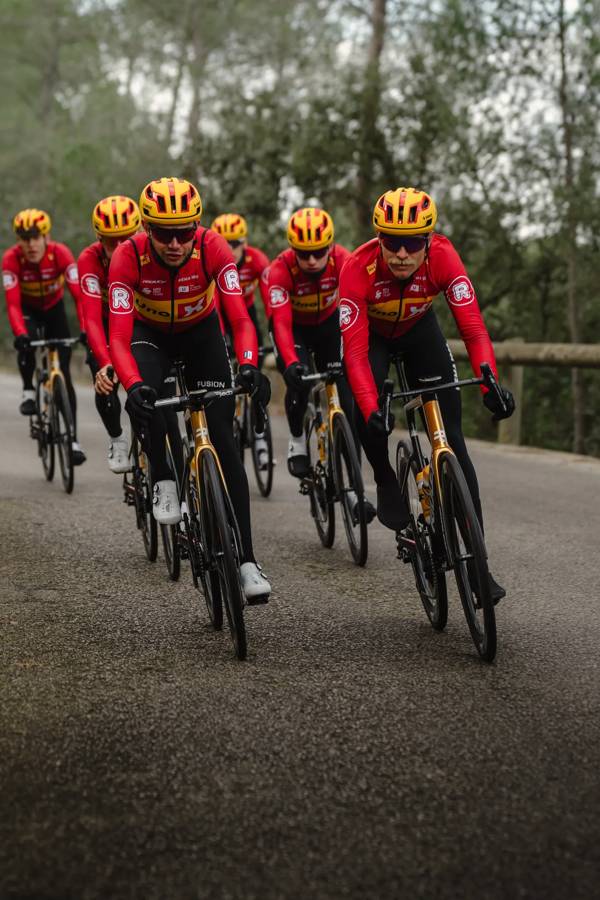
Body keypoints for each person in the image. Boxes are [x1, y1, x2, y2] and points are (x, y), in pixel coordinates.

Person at [339, 187, 515, 602]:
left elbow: (473, 329)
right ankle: (385, 479)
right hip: (373, 340)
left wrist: (489, 382)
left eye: (413, 243)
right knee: (365, 412)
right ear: (379, 239)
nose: (402, 254)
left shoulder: (444, 257)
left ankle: (478, 570)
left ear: (428, 241)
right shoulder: (357, 268)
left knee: (454, 442)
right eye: (392, 242)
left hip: (420, 331)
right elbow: (356, 356)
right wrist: (372, 409)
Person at [108, 177, 271, 602]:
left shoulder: (214, 246)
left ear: (196, 227)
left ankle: (247, 561)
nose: (176, 243)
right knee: (149, 403)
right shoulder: (127, 257)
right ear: (146, 228)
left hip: (202, 334)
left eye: (184, 232)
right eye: (164, 234)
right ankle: (164, 476)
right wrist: (132, 385)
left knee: (224, 441)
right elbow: (119, 338)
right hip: (149, 338)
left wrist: (249, 364)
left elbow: (240, 319)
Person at [267, 206, 357, 478]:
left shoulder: (343, 260)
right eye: (304, 254)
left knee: (347, 397)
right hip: (294, 329)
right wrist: (291, 363)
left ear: (330, 246)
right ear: (293, 249)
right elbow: (281, 324)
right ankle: (297, 441)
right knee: (300, 382)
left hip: (328, 325)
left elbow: (357, 308)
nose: (312, 260)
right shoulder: (281, 269)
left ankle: (354, 485)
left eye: (319, 252)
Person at [2, 208, 87, 464]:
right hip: (28, 310)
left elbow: (79, 296)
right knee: (26, 344)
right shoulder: (11, 260)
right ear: (18, 241)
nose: (31, 245)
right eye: (25, 238)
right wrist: (20, 334)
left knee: (65, 377)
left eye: (35, 237)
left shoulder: (61, 254)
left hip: (54, 308)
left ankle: (73, 440)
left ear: (46, 237)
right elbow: (13, 305)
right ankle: (29, 390)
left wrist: (85, 329)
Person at [78, 195, 141, 473]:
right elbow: (90, 318)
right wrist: (104, 363)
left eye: (126, 238)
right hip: (105, 324)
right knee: (104, 382)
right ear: (99, 238)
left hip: (139, 322)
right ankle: (117, 438)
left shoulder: (147, 252)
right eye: (110, 241)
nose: (119, 247)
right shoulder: (89, 260)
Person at [211, 213, 271, 469]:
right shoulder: (215, 261)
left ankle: (260, 435)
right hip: (221, 315)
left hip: (246, 313)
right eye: (224, 243)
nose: (230, 249)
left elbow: (269, 301)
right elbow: (214, 306)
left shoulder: (257, 260)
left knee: (254, 372)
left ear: (244, 243)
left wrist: (272, 333)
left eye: (234, 243)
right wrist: (221, 341)